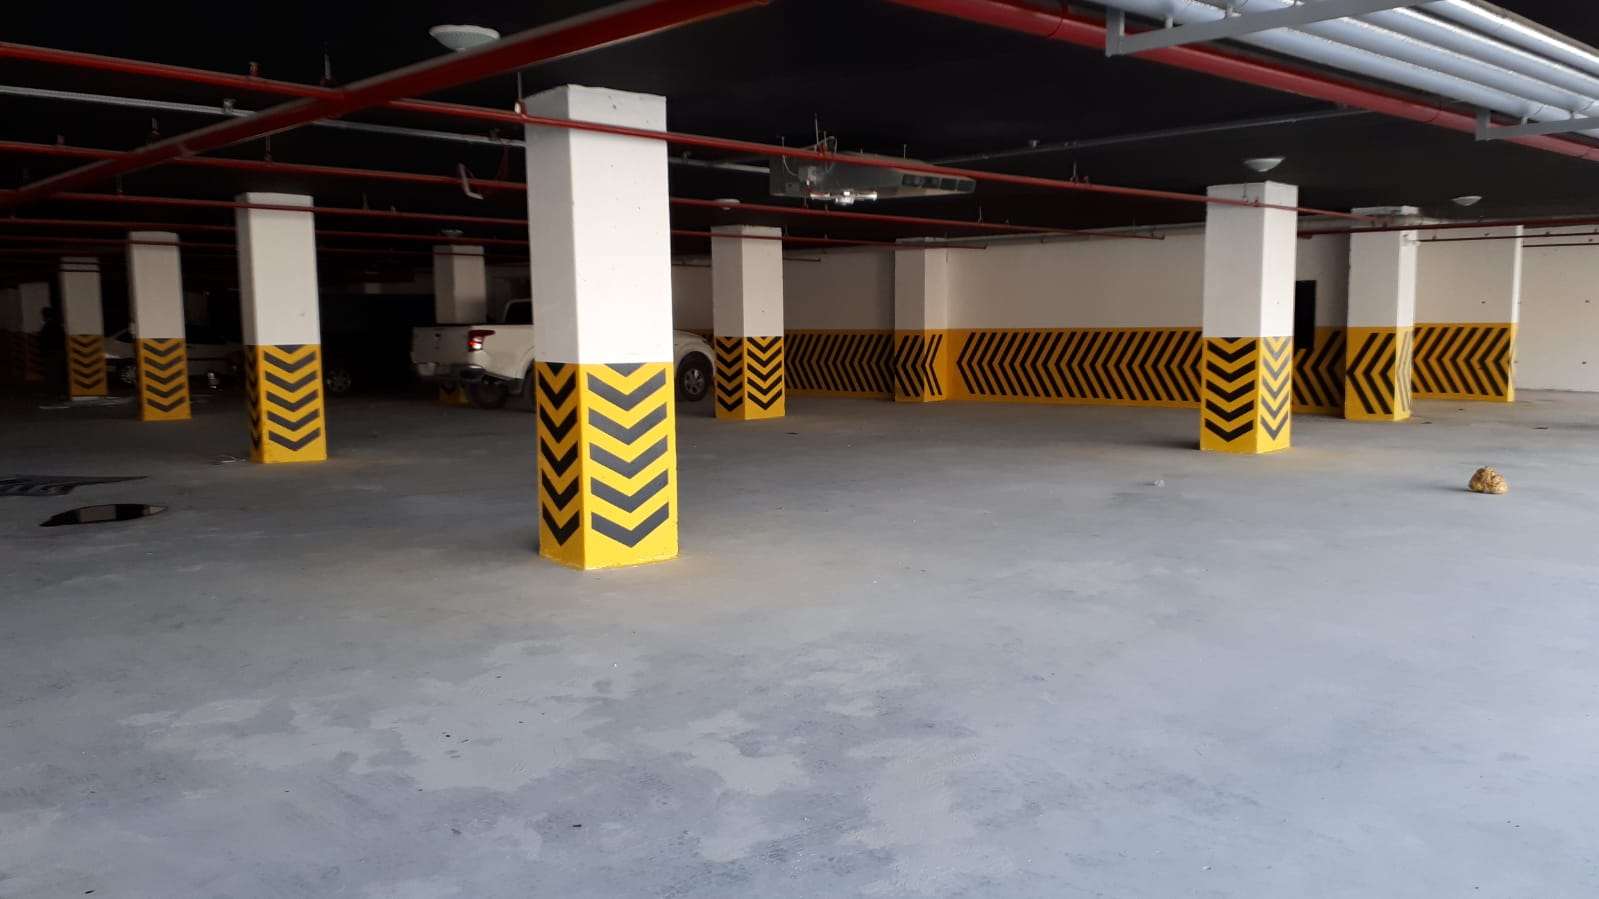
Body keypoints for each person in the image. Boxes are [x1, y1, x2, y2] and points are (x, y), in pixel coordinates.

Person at [38, 306, 65, 391]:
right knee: (57, 372)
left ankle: (54, 390)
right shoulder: (57, 325)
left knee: (52, 372)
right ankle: (57, 390)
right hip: (58, 351)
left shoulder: (47, 326)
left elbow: (43, 340)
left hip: (51, 352)